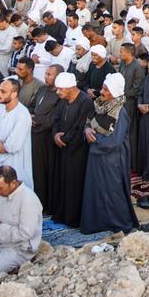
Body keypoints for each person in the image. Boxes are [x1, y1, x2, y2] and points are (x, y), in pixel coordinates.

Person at [80, 73, 139, 235]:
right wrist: (86, 130)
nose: (102, 91)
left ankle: (120, 223)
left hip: (112, 159)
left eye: (106, 89)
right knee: (97, 191)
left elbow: (115, 141)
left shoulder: (120, 113)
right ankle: (99, 222)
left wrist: (94, 140)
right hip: (98, 157)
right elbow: (89, 122)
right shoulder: (100, 105)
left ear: (114, 92)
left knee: (113, 192)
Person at [50, 71, 92, 226]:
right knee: (62, 181)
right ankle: (62, 213)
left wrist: (64, 139)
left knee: (74, 183)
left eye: (61, 89)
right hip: (63, 149)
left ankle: (73, 218)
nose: (58, 92)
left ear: (71, 88)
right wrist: (55, 135)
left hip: (77, 150)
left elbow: (80, 127)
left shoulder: (85, 101)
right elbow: (57, 120)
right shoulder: (63, 100)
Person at [0, 78, 32, 212]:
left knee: (15, 199)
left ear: (14, 94)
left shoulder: (22, 114)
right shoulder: (0, 108)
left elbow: (12, 146)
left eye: (3, 91)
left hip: (15, 162)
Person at [25, 63, 59, 212]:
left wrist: (36, 120)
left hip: (46, 138)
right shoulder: (43, 89)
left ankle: (44, 204)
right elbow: (32, 106)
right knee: (34, 170)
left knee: (44, 172)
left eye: (49, 74)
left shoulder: (60, 95)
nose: (46, 77)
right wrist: (29, 116)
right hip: (34, 135)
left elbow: (53, 118)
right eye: (46, 74)